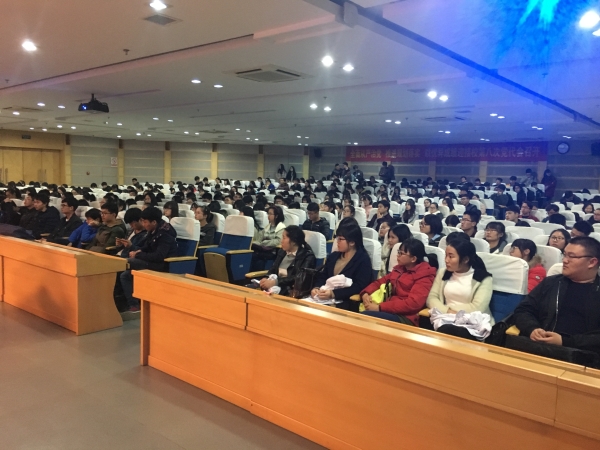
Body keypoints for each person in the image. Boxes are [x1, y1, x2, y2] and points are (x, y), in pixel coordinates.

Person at [512, 237, 600, 359]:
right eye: (565, 255)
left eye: (571, 256)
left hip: (583, 358)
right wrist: (532, 328)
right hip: (538, 348)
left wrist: (564, 341)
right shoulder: (551, 283)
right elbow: (523, 310)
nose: (565, 260)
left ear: (592, 262)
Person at [426, 238, 494, 335]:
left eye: (451, 256)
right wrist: (447, 311)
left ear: (465, 259)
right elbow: (432, 298)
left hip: (472, 323)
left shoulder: (483, 278)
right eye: (446, 255)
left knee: (448, 331)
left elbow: (477, 307)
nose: (446, 260)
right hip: (445, 318)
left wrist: (447, 310)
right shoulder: (443, 273)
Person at [360, 238, 437, 325]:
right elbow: (380, 282)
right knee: (359, 316)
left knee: (365, 318)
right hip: (389, 309)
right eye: (398, 252)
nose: (398, 255)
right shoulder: (399, 269)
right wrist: (365, 293)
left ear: (413, 258)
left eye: (401, 253)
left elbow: (413, 304)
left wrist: (380, 307)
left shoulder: (424, 275)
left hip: (406, 316)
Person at [119, 207, 178, 314]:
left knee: (127, 261)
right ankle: (134, 305)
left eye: (145, 222)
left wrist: (138, 254)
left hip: (162, 264)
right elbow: (147, 246)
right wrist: (138, 251)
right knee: (125, 275)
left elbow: (159, 256)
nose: (143, 224)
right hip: (151, 260)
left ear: (154, 222)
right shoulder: (154, 230)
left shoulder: (165, 234)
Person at [311, 221, 372, 312]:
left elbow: (359, 286)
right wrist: (317, 287)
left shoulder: (363, 260)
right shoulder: (333, 256)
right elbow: (323, 276)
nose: (337, 242)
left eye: (340, 239)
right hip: (324, 298)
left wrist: (333, 294)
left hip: (346, 302)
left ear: (352, 242)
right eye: (337, 238)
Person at [256, 225, 316, 296]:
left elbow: (299, 278)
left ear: (293, 241)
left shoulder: (307, 256)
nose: (281, 241)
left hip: (290, 291)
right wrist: (266, 278)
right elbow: (273, 268)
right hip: (275, 287)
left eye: (284, 238)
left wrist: (276, 282)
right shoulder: (282, 252)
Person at [251, 205, 286, 271]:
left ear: (276, 216)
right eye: (268, 214)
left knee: (257, 259)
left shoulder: (281, 228)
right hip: (262, 249)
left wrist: (264, 242)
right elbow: (260, 238)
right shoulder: (268, 226)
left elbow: (278, 241)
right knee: (251, 255)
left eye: (270, 214)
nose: (268, 216)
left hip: (272, 252)